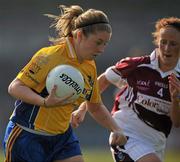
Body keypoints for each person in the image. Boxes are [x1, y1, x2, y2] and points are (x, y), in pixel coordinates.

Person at [3, 5, 127, 162]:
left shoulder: (89, 66)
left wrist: (116, 129)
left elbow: (95, 106)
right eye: (98, 42)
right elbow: (15, 87)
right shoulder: (50, 56)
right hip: (27, 136)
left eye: (105, 44)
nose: (102, 49)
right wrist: (44, 102)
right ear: (80, 35)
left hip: (62, 139)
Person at [71, 17, 180, 162]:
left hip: (156, 144)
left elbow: (177, 122)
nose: (167, 48)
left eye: (173, 44)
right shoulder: (137, 66)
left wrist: (176, 99)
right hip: (126, 134)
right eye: (163, 42)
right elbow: (103, 81)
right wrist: (82, 109)